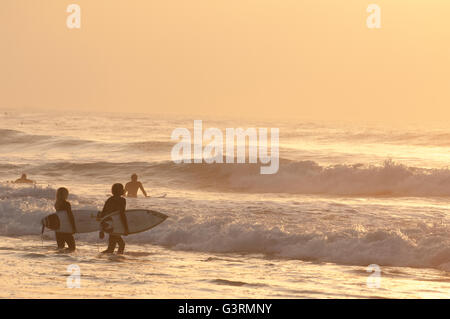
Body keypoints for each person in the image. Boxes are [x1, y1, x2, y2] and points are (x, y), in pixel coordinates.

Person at [98, 183, 129, 254]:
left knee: (111, 248)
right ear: (120, 191)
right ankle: (115, 260)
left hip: (109, 224)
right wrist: (126, 228)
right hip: (115, 225)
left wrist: (101, 230)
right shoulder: (122, 200)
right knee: (120, 245)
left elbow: (103, 214)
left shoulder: (109, 199)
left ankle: (109, 259)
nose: (124, 190)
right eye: (122, 189)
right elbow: (122, 214)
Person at [54, 187, 77, 252]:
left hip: (58, 229)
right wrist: (73, 227)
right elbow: (70, 216)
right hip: (66, 228)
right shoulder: (66, 204)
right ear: (64, 194)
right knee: (72, 248)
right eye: (67, 194)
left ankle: (60, 260)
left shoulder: (56, 204)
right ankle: (66, 260)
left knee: (60, 247)